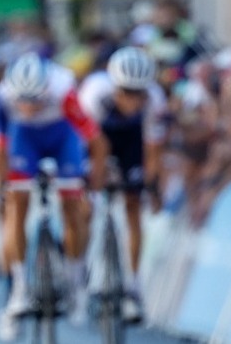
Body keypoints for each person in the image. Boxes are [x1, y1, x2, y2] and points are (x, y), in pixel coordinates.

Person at [0, 51, 105, 340]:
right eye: (23, 102)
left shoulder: (64, 90)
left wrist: (94, 181)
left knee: (72, 207)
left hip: (61, 138)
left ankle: (75, 280)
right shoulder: (2, 97)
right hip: (25, 141)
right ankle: (18, 289)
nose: (29, 108)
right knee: (16, 204)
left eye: (35, 101)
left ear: (46, 91)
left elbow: (95, 140)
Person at [76, 46, 166, 323]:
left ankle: (133, 287)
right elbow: (90, 144)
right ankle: (82, 266)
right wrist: (90, 184)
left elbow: (153, 148)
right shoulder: (93, 94)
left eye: (138, 93)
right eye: (126, 92)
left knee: (133, 205)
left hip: (131, 141)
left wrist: (152, 185)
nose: (133, 100)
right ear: (114, 85)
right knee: (85, 206)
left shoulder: (154, 100)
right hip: (97, 138)